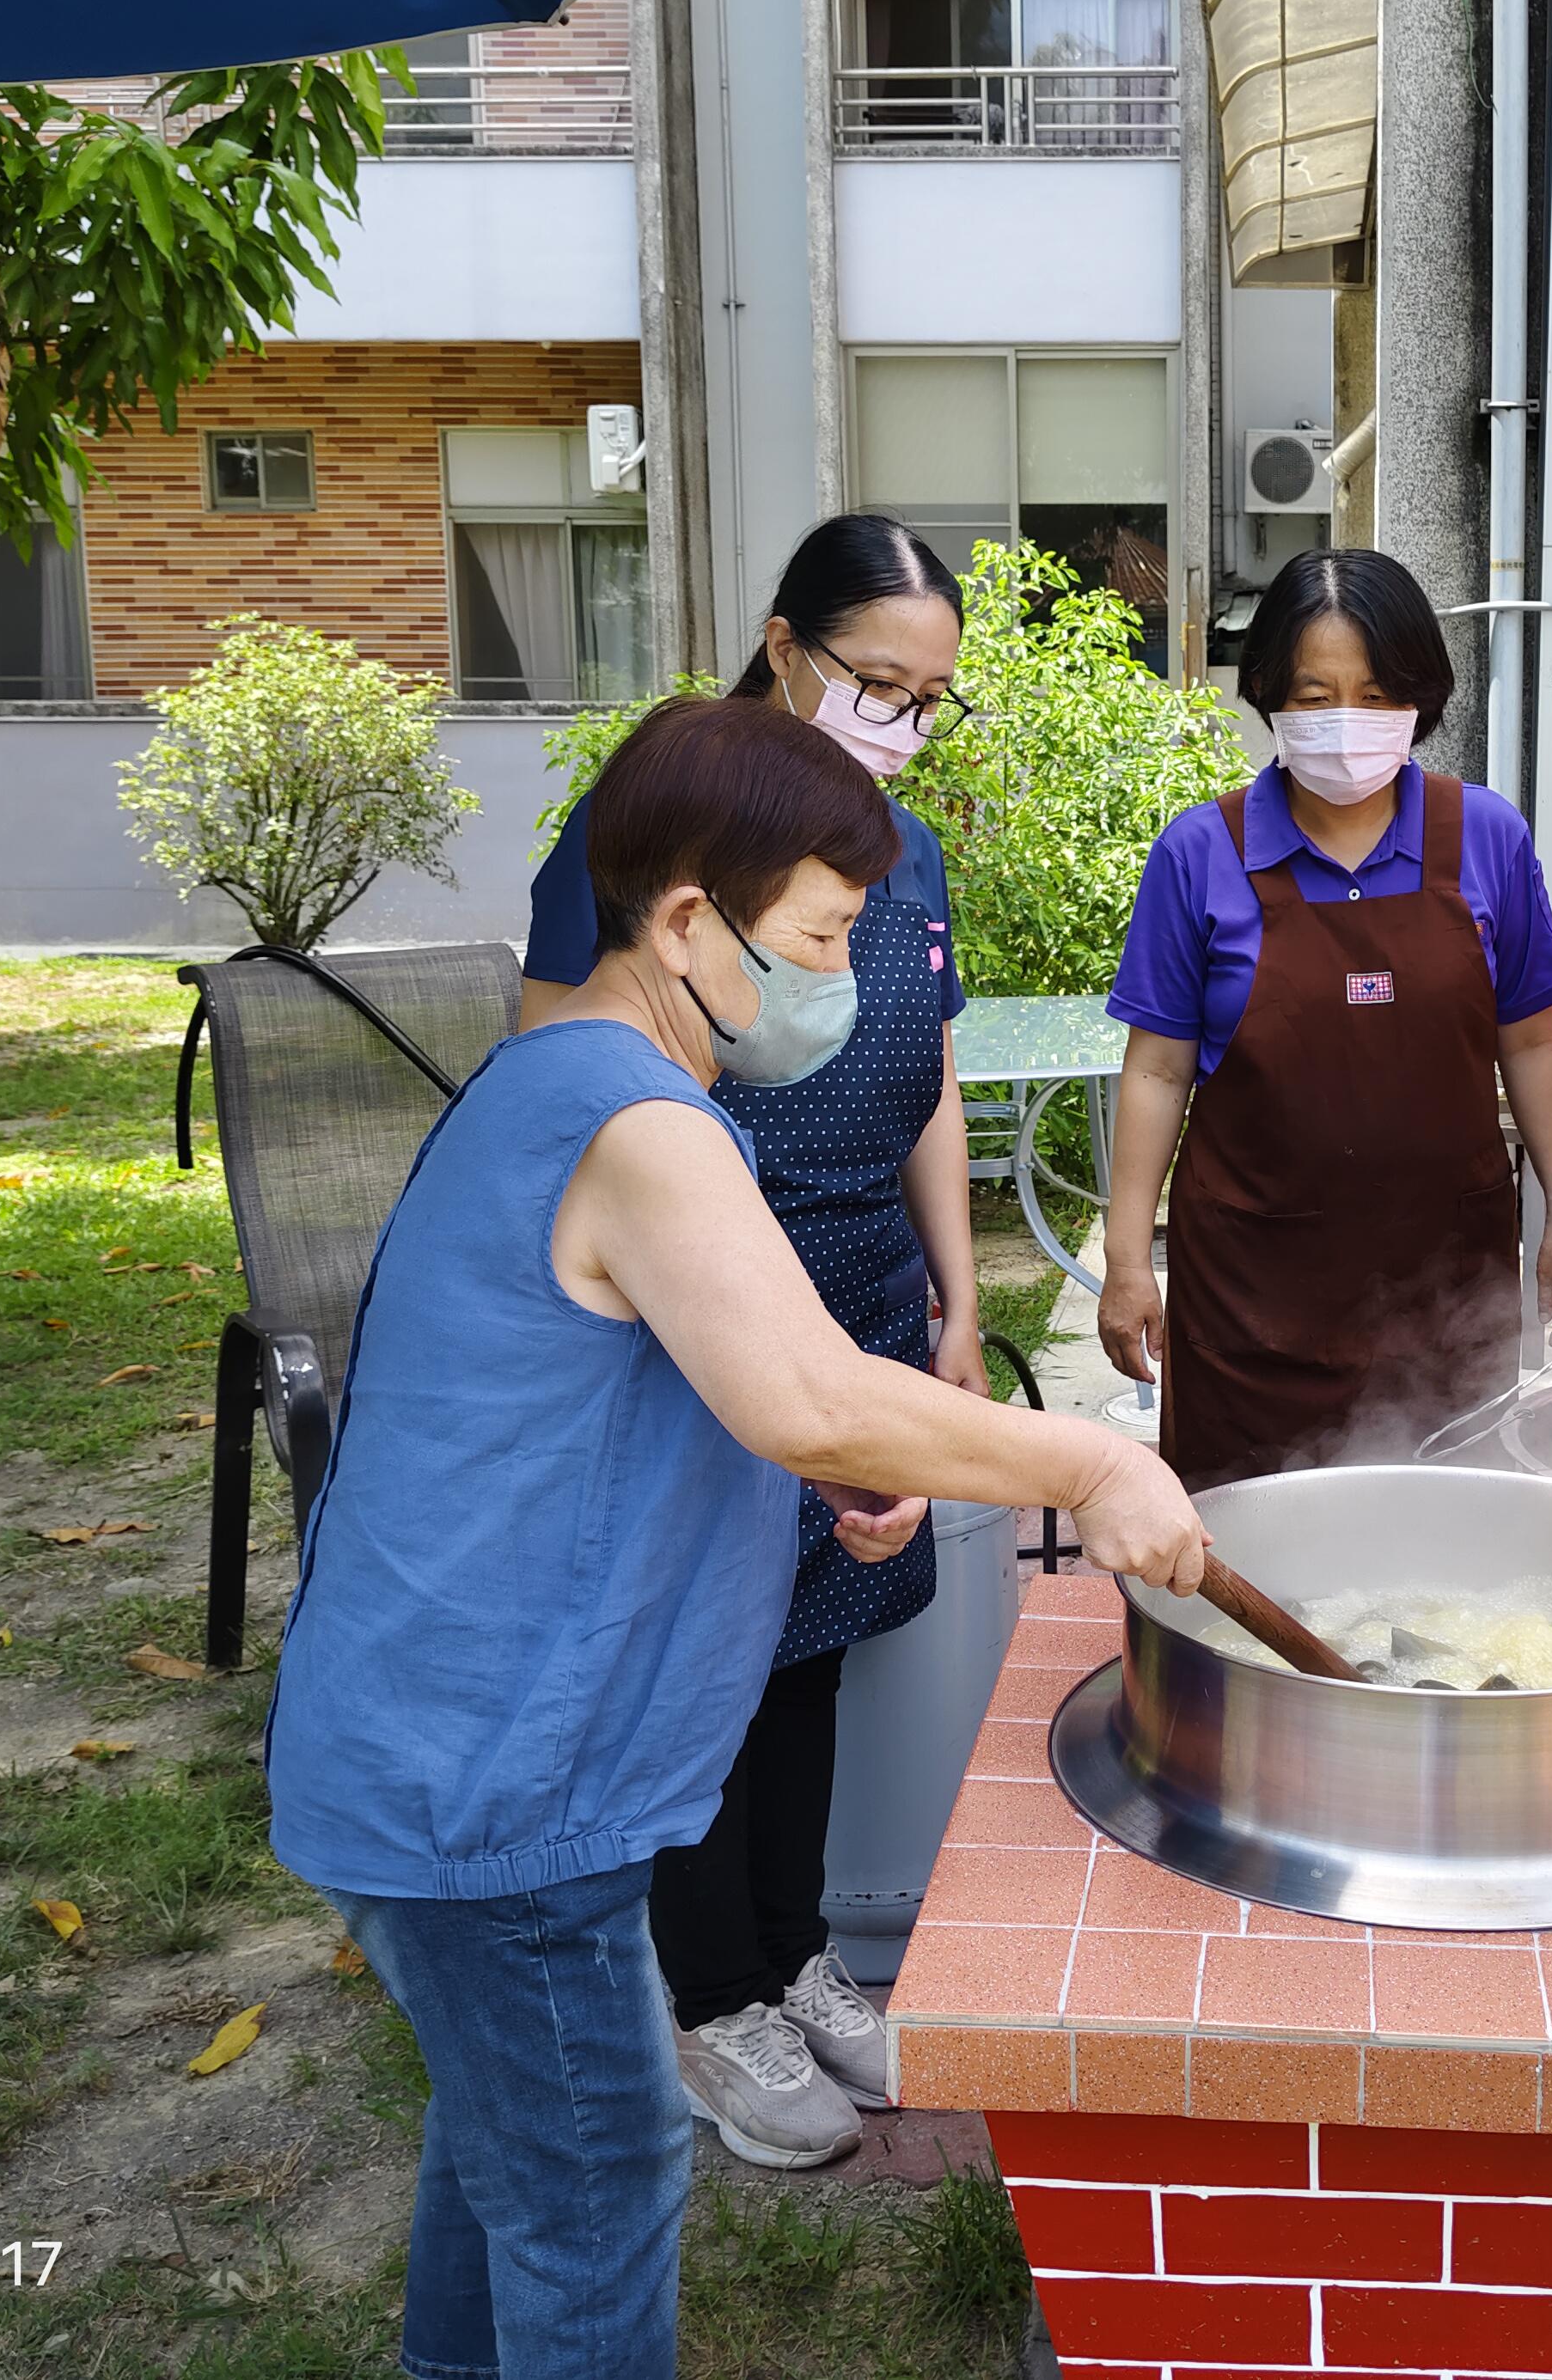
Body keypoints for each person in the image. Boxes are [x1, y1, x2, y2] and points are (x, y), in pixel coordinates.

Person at [269, 696, 1209, 2380]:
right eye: (825, 937)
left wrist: (818, 1469)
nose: (851, 981)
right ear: (692, 921)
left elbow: (647, 1389)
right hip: (487, 1785)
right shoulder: (637, 1123)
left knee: (508, 2158)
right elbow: (803, 1386)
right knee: (596, 2178)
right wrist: (1084, 1463)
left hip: (443, 1750)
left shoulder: (573, 1081)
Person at [517, 514, 981, 2171]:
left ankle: (799, 1957)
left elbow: (922, 1073)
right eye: (875, 685)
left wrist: (959, 1301)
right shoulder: (648, 828)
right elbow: (557, 1079)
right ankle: (712, 1997)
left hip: (859, 1286)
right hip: (704, 1304)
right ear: (784, 646)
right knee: (693, 1646)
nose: (901, 726)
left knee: (815, 1636)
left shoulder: (895, 847)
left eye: (931, 703)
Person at [1097, 546, 1552, 1486]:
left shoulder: (1485, 835)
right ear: (1269, 695)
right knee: (1245, 1569)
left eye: (1375, 696)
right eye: (1314, 693)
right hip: (1254, 1295)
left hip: (1448, 1285)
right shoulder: (1200, 852)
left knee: (1452, 1567)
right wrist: (1128, 1259)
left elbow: (1530, 1038)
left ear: (1420, 695)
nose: (1346, 723)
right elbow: (1158, 1068)